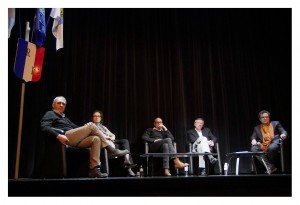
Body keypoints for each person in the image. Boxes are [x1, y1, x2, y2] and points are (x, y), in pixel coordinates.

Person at [40, 96, 129, 178]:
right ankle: (111, 150)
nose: (61, 105)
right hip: (65, 137)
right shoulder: (50, 113)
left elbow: (75, 127)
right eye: (59, 103)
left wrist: (85, 126)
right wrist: (58, 136)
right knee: (92, 125)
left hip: (74, 138)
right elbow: (44, 127)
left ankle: (94, 169)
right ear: (53, 104)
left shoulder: (65, 118)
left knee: (96, 139)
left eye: (63, 104)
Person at [91, 110, 137, 177]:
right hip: (103, 142)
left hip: (110, 141)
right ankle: (128, 168)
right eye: (95, 116)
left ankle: (126, 160)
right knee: (121, 145)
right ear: (92, 118)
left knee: (125, 141)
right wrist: (108, 137)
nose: (97, 117)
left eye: (98, 116)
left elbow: (113, 135)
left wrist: (111, 137)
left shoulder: (103, 127)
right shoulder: (91, 126)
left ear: (101, 118)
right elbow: (98, 135)